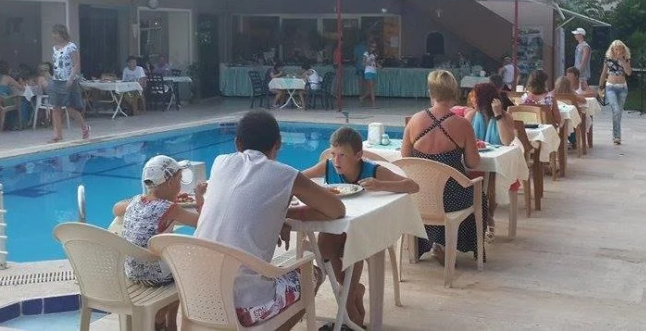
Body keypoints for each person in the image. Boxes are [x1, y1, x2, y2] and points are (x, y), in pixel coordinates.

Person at [195, 110, 345, 329]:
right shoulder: (284, 174)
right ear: (278, 144)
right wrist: (284, 214)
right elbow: (336, 209)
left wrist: (277, 215)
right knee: (312, 274)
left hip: (197, 296)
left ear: (237, 143)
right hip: (243, 306)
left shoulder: (220, 163)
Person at [302, 127, 418, 326]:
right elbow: (300, 179)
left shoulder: (372, 170)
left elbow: (412, 186)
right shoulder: (328, 167)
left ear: (358, 155)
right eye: (333, 154)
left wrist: (381, 185)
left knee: (351, 244)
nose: (336, 160)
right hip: (338, 223)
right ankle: (353, 291)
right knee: (324, 246)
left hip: (366, 228)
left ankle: (349, 305)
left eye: (342, 155)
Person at [112, 155, 206, 330]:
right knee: (185, 268)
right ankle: (163, 320)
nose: (180, 184)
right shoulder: (171, 209)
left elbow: (116, 209)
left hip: (131, 271)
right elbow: (202, 222)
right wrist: (199, 198)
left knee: (171, 261)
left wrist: (145, 201)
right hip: (155, 277)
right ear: (170, 183)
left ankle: (166, 322)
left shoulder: (136, 201)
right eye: (179, 180)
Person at [401, 70, 485, 264]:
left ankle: (434, 243)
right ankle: (448, 245)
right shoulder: (462, 124)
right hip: (452, 198)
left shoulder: (414, 121)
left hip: (420, 196)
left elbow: (406, 159)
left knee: (438, 192)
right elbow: (473, 163)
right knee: (480, 196)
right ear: (454, 93)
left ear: (430, 92)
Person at [464, 82, 515, 240]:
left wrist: (498, 116)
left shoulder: (506, 117)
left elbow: (507, 141)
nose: (472, 100)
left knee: (493, 175)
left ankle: (488, 214)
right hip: (474, 162)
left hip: (496, 165)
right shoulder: (471, 116)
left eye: (476, 97)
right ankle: (483, 216)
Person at [48, 24, 89, 143]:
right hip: (57, 80)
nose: (54, 36)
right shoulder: (55, 48)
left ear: (61, 34)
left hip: (69, 80)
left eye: (56, 34)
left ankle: (84, 128)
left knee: (70, 108)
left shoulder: (71, 47)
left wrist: (71, 79)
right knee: (56, 107)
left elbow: (76, 64)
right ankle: (58, 135)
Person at [598, 40, 632, 145]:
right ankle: (616, 135)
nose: (618, 51)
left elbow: (629, 73)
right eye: (616, 49)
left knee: (618, 112)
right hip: (611, 87)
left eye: (620, 49)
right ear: (612, 50)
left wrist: (623, 61)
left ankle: (616, 136)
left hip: (622, 88)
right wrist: (600, 87)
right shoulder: (608, 60)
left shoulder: (626, 59)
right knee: (616, 110)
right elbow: (604, 73)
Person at [360, 43, 379, 108]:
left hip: (374, 71)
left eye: (375, 47)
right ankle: (373, 104)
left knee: (370, 89)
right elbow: (363, 63)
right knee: (372, 89)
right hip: (368, 71)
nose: (373, 48)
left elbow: (375, 62)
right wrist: (368, 61)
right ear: (369, 47)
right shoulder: (366, 54)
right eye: (372, 46)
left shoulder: (375, 54)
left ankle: (362, 98)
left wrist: (379, 66)